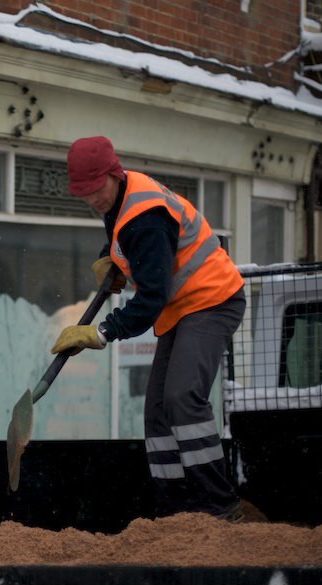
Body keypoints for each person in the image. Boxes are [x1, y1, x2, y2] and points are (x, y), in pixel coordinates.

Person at [52, 136, 246, 521]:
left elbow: (151, 297)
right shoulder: (120, 197)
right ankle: (175, 512)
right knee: (157, 412)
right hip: (181, 309)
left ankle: (221, 508)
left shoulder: (145, 215)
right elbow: (127, 240)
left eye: (96, 190)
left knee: (181, 397)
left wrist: (100, 332)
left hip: (212, 299)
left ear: (113, 173)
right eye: (84, 194)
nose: (93, 200)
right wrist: (110, 258)